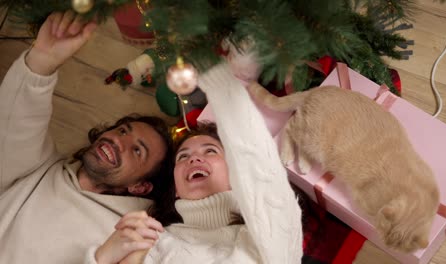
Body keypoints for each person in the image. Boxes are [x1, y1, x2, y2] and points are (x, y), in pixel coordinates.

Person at [0, 11, 177, 264]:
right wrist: (42, 61)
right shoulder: (40, 170)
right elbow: (15, 123)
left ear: (140, 186)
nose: (119, 140)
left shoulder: (128, 236)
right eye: (122, 130)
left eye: (137, 150)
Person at [86, 63, 304, 263]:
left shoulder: (264, 235)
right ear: (177, 190)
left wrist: (219, 78)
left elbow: (267, 179)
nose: (194, 158)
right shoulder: (152, 241)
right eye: (183, 156)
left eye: (210, 151)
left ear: (236, 170)